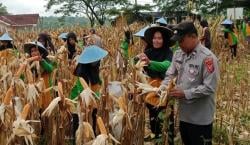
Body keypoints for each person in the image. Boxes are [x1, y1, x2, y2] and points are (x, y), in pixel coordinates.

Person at [159, 21, 219, 145]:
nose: (179, 44)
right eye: (178, 41)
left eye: (182, 41)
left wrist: (185, 93)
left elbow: (209, 87)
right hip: (184, 116)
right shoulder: (178, 54)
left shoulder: (207, 58)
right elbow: (170, 74)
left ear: (193, 36)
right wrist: (162, 88)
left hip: (200, 119)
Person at [136, 25, 173, 140]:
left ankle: (166, 137)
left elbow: (166, 66)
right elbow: (140, 66)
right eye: (154, 38)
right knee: (152, 111)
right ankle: (154, 134)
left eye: (159, 38)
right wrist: (137, 60)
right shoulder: (148, 51)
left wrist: (150, 62)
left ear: (164, 40)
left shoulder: (168, 52)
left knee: (164, 112)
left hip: (164, 86)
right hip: (150, 86)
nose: (156, 40)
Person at [70, 45, 108, 139]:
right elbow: (83, 91)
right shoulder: (82, 73)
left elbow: (97, 82)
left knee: (92, 122)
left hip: (92, 102)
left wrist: (105, 81)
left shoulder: (93, 69)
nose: (98, 62)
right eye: (96, 60)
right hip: (80, 103)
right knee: (80, 124)